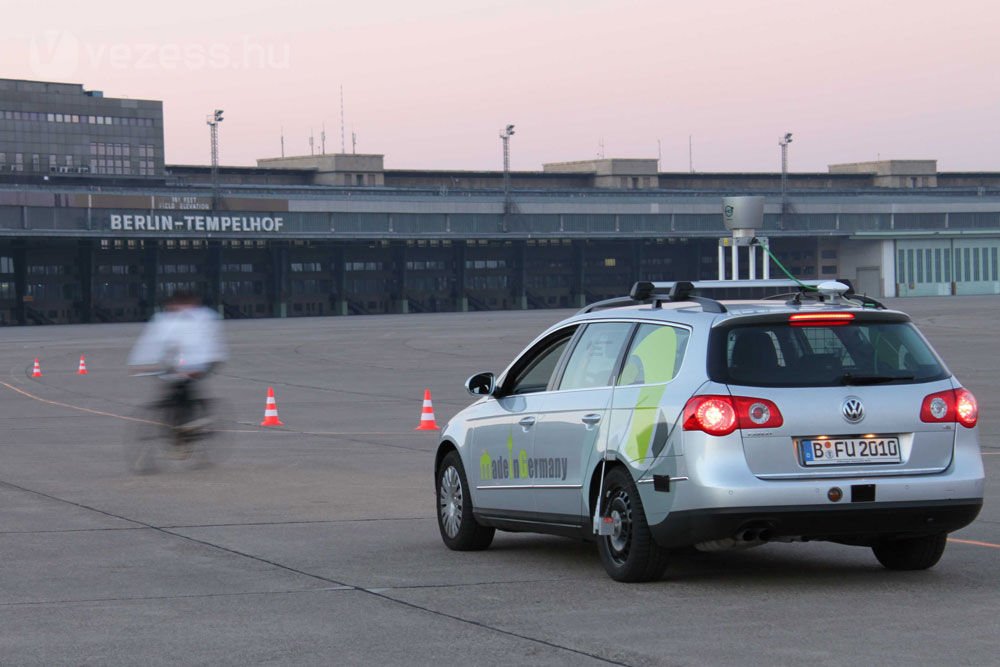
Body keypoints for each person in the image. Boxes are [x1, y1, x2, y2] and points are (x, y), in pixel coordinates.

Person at [128, 290, 228, 432]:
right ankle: (176, 424)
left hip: (204, 360)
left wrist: (198, 367)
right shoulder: (164, 320)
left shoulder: (203, 318)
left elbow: (209, 344)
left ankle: (197, 417)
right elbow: (150, 342)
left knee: (186, 385)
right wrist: (140, 364)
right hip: (177, 364)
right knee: (170, 387)